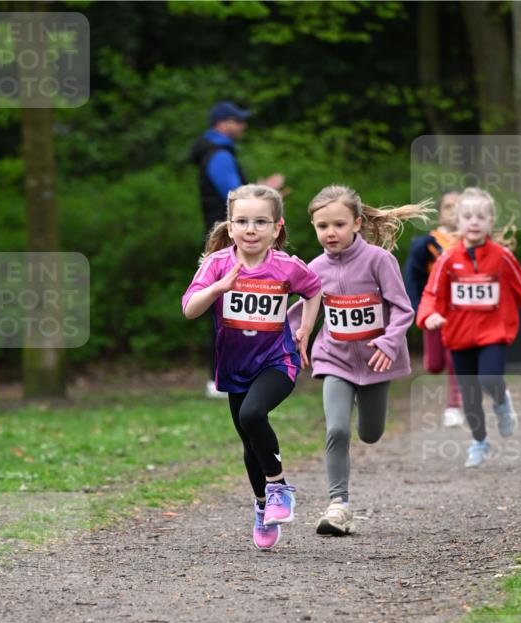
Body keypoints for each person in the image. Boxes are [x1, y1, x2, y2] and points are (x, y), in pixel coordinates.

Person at [182, 184, 321, 550]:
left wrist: (305, 328)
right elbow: (189, 308)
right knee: (249, 438)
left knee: (253, 414)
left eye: (261, 221)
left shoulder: (287, 267)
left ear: (277, 228)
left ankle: (279, 487)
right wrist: (218, 289)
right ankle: (262, 506)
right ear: (230, 227)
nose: (251, 229)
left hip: (279, 361)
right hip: (234, 367)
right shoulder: (217, 265)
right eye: (242, 221)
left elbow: (313, 288)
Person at [289, 185, 429, 536]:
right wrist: (289, 334)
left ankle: (365, 439)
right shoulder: (314, 267)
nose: (330, 233)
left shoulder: (380, 261)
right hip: (333, 358)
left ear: (356, 223)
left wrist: (389, 340)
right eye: (322, 226)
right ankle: (339, 506)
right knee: (336, 428)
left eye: (338, 224)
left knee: (370, 432)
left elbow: (402, 308)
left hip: (377, 360)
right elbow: (302, 310)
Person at [416, 187, 521, 468]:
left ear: (491, 222)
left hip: (493, 333)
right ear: (458, 222)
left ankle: (502, 402)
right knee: (470, 401)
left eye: (481, 216)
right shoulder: (447, 259)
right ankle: (479, 441)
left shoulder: (502, 257)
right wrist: (428, 316)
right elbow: (431, 293)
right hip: (459, 336)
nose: (474, 221)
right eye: (467, 216)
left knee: (490, 378)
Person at [189, 102, 285, 399]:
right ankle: (220, 377)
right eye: (237, 121)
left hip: (228, 241)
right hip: (226, 245)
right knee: (225, 308)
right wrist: (265, 193)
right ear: (221, 123)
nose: (243, 126)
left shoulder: (217, 153)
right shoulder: (218, 156)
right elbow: (236, 198)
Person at [404, 189, 464, 427]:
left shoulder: (473, 242)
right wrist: (418, 309)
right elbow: (413, 277)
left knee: (454, 358)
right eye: (449, 206)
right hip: (434, 310)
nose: (455, 211)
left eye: (460, 206)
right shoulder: (428, 244)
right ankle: (434, 361)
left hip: (461, 312)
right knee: (435, 364)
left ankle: (454, 406)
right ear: (440, 214)